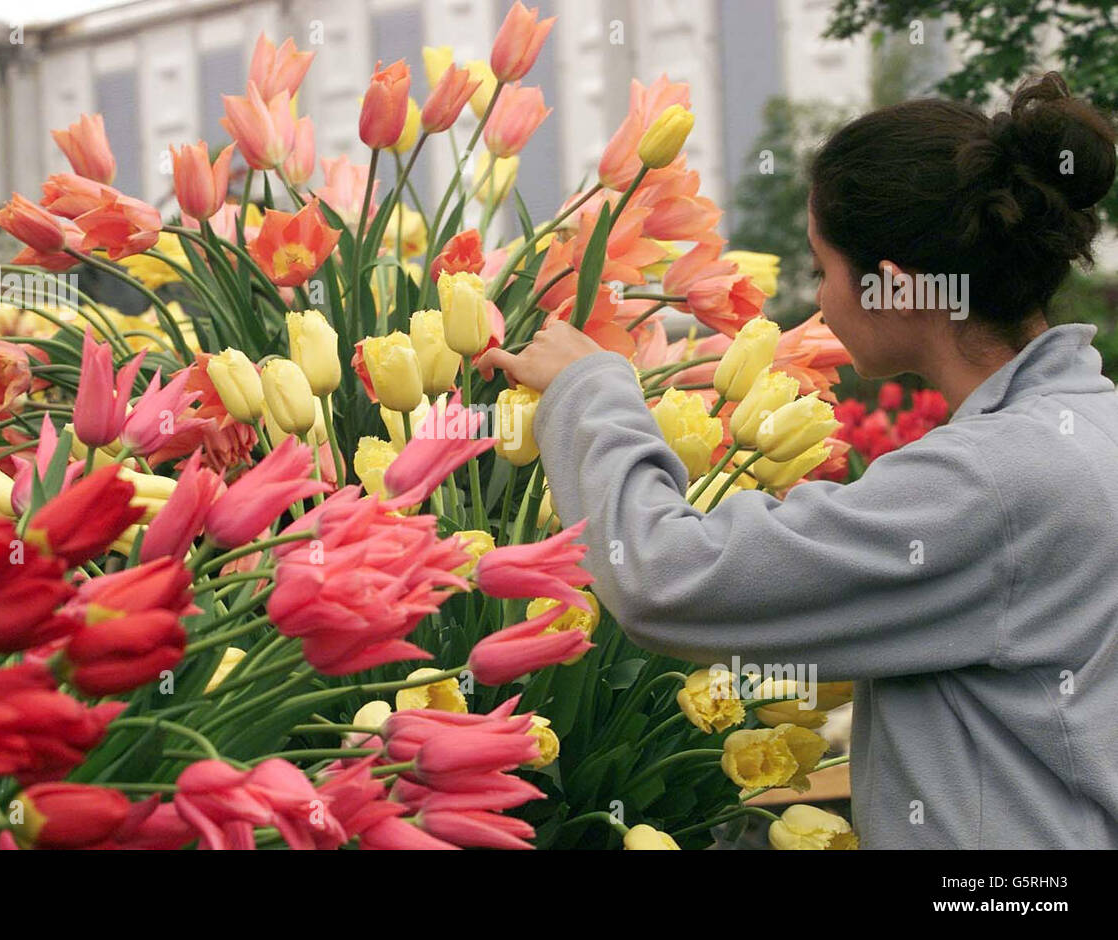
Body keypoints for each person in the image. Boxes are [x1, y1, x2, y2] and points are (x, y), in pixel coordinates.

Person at [476, 72, 1118, 849]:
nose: (818, 300)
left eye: (822, 269)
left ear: (893, 290)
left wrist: (591, 390)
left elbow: (667, 577)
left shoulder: (992, 480)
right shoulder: (1090, 427)